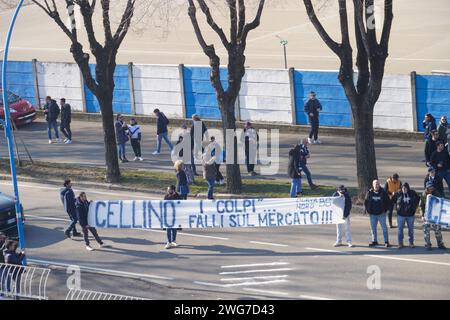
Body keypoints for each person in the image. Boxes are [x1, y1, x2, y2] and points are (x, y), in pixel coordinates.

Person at [419, 182, 446, 250]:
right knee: (426, 231)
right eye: (430, 187)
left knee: (437, 230)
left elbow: (440, 203)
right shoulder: (423, 194)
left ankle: (440, 244)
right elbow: (420, 206)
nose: (431, 188)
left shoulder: (436, 193)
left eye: (432, 187)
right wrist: (422, 215)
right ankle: (428, 244)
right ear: (427, 188)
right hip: (426, 215)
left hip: (434, 215)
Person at [364, 179, 391, 247]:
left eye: (378, 184)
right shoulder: (369, 192)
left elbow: (388, 202)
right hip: (372, 214)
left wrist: (386, 210)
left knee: (384, 228)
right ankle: (374, 241)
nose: (377, 185)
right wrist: (367, 210)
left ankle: (386, 242)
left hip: (381, 214)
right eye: (375, 184)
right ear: (373, 185)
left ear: (379, 185)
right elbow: (366, 202)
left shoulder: (383, 192)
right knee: (373, 229)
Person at [396, 183, 419, 249]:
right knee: (400, 230)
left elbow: (418, 200)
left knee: (411, 230)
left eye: (405, 188)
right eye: (403, 188)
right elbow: (393, 200)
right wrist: (397, 209)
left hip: (410, 215)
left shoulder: (412, 193)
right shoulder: (399, 193)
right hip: (401, 215)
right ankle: (400, 243)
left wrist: (414, 209)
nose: (404, 189)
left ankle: (411, 243)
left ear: (408, 188)